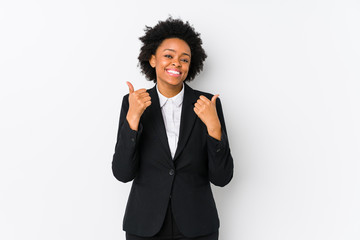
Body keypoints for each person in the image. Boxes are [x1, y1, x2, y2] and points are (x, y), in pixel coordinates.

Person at [112, 17, 234, 240]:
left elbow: (222, 178)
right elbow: (122, 173)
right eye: (168, 55)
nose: (176, 63)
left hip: (198, 226)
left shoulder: (207, 105)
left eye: (184, 59)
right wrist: (132, 120)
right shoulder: (133, 103)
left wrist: (214, 128)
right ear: (152, 59)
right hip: (144, 226)